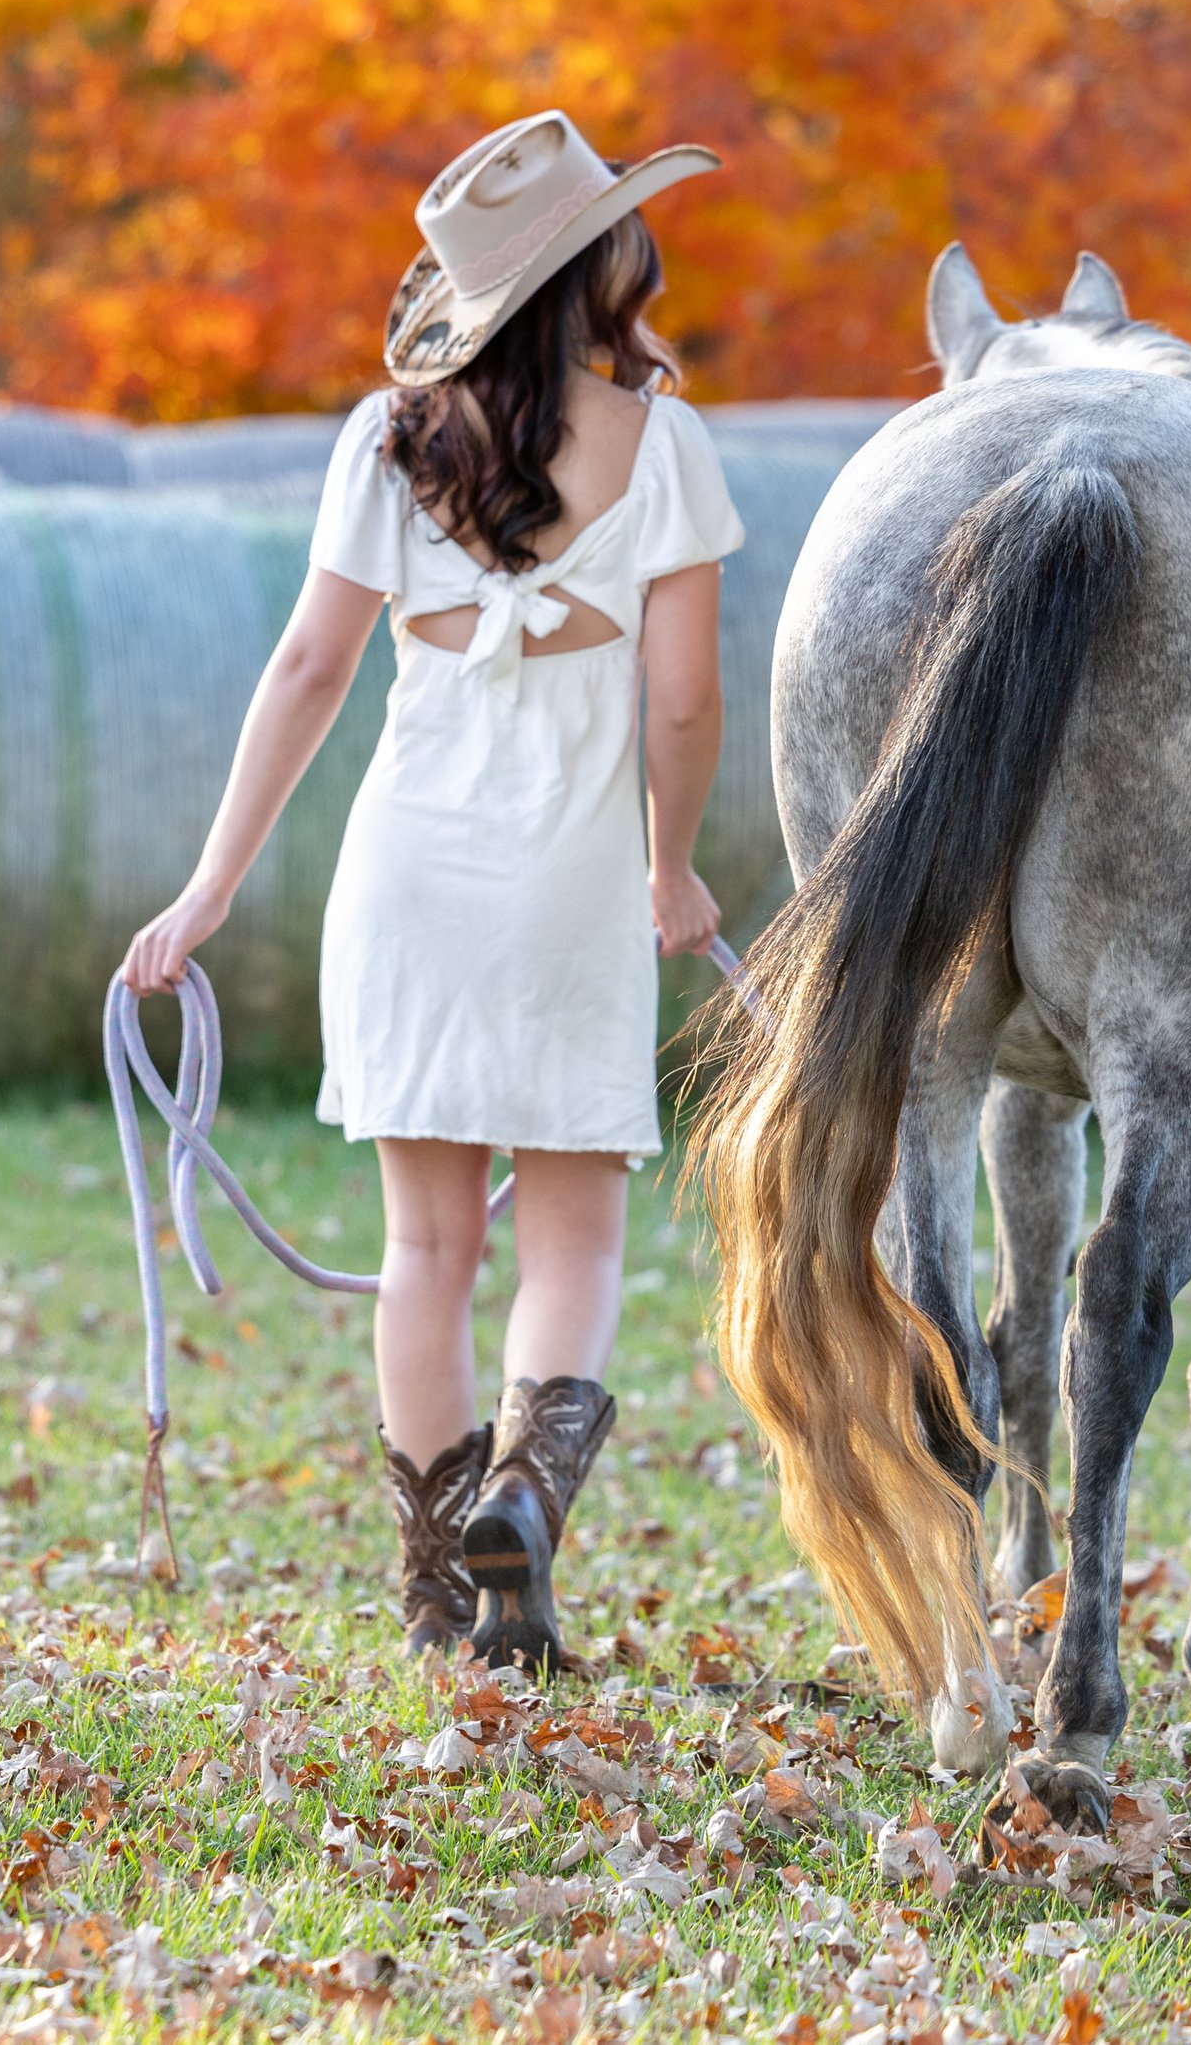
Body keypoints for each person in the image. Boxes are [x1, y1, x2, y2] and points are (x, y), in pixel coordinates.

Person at [121, 110, 741, 1669]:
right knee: (578, 1245)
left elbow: (310, 665)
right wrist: (671, 869)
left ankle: (436, 1597)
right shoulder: (663, 440)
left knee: (427, 1251)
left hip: (407, 873)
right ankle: (527, 1500)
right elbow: (682, 699)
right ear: (601, 260)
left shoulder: (384, 436)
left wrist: (206, 889)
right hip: (569, 881)